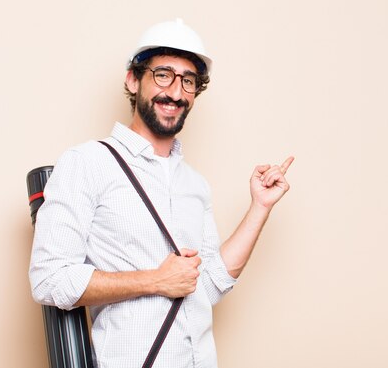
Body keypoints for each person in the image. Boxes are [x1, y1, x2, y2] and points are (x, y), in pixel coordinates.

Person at [29, 19, 293, 368]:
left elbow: (208, 285)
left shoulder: (194, 184)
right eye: (163, 74)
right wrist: (156, 280)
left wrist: (260, 207)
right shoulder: (86, 163)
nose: (176, 92)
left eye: (188, 81)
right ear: (133, 79)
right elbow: (50, 279)